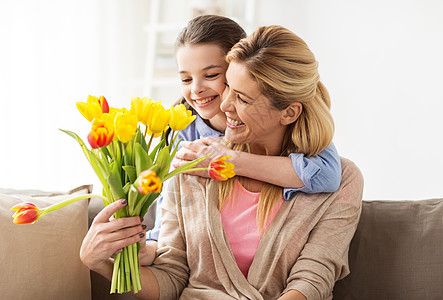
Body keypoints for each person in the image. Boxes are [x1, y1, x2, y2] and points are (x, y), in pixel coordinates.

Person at [81, 25, 363, 299]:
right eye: (228, 88)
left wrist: (232, 161)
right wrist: (101, 262)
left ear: (289, 112)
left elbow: (313, 279)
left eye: (240, 96)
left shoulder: (341, 177)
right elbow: (172, 277)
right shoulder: (194, 158)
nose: (224, 105)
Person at [146, 14, 342, 242]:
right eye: (186, 79)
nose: (196, 89)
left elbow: (326, 174)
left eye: (211, 75)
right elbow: (168, 221)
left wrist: (226, 160)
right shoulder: (183, 129)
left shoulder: (272, 124)